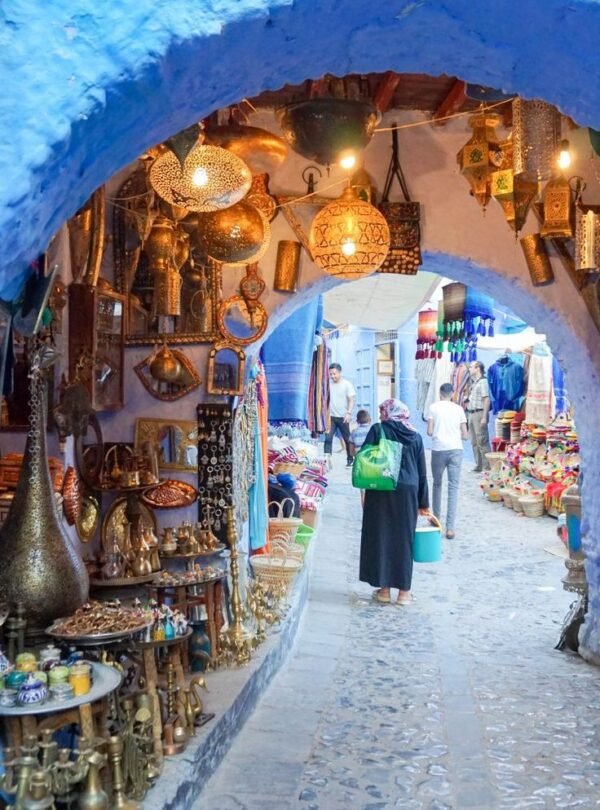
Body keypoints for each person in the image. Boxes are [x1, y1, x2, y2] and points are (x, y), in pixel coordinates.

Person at [359, 399, 429, 606]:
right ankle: (404, 594)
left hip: (380, 488)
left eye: (382, 411)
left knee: (381, 536)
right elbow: (422, 472)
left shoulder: (378, 430)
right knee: (403, 539)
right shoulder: (415, 435)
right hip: (408, 492)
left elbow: (363, 460)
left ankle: (383, 590)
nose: (380, 415)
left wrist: (363, 489)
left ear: (389, 413)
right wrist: (423, 502)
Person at [427, 382, 468, 540]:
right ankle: (450, 528)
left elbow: (429, 431)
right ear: (452, 394)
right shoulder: (458, 409)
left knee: (437, 484)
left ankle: (436, 521)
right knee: (453, 488)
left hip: (439, 450)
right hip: (455, 449)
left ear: (439, 393)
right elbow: (465, 435)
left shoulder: (433, 408)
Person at [324, 363, 356, 468]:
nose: (332, 376)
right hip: (331, 417)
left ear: (340, 372)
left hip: (343, 417)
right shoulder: (328, 384)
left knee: (348, 440)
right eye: (331, 374)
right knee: (328, 438)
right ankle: (326, 461)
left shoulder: (347, 384)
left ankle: (350, 459)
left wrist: (349, 413)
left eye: (334, 374)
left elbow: (351, 400)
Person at [466, 360, 491, 472]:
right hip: (471, 413)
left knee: (482, 441)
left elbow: (486, 400)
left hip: (479, 413)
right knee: (474, 441)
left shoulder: (483, 382)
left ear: (478, 368)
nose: (469, 369)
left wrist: (484, 417)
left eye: (471, 367)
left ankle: (487, 467)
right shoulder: (475, 382)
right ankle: (478, 465)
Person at [350, 409, 372, 507]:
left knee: (363, 492)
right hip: (374, 463)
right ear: (370, 419)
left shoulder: (354, 433)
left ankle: (365, 515)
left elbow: (351, 452)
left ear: (357, 421)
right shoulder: (374, 430)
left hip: (361, 464)